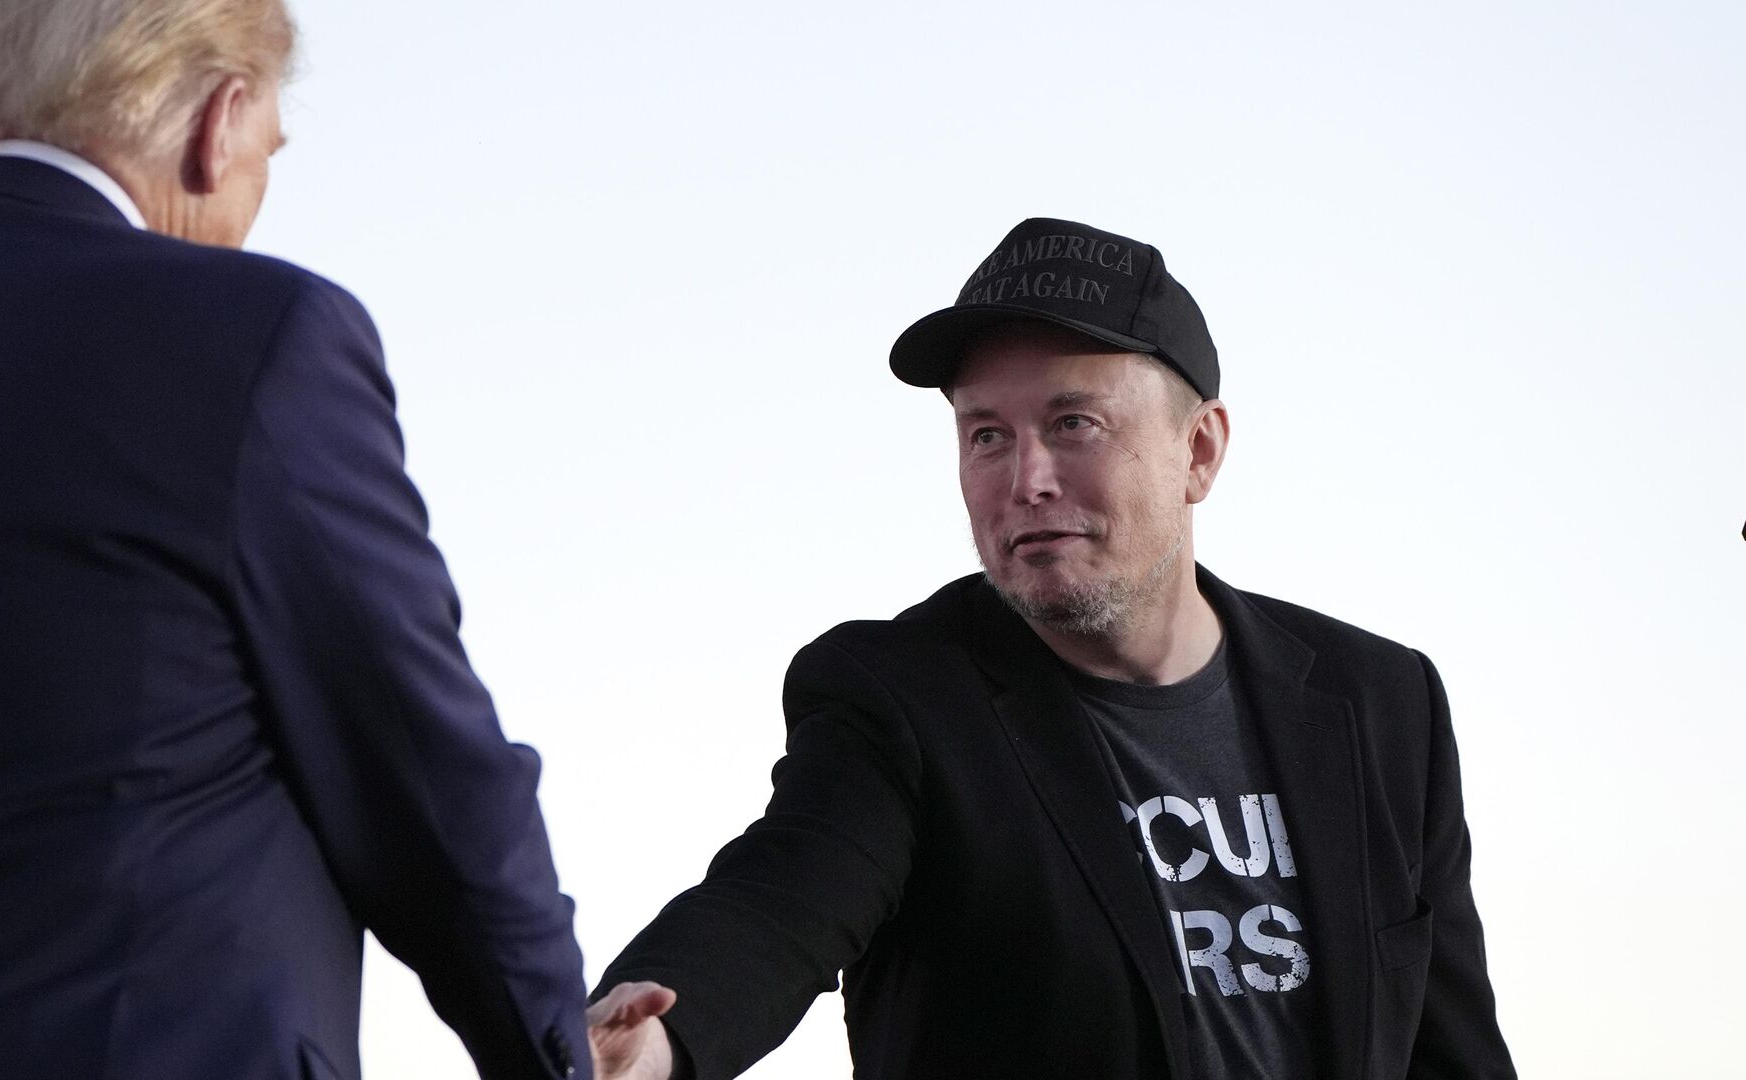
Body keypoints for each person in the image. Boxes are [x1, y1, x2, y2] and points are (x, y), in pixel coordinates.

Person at [0, 2, 591, 1077]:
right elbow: (424, 774)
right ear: (218, 122)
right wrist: (555, 1047)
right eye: (268, 152)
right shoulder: (255, 340)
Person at [586, 218, 1516, 1079]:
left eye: (1075, 424)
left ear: (1199, 451)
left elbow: (1452, 1049)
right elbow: (782, 898)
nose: (1025, 479)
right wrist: (657, 1037)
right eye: (987, 435)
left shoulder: (1380, 702)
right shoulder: (901, 698)